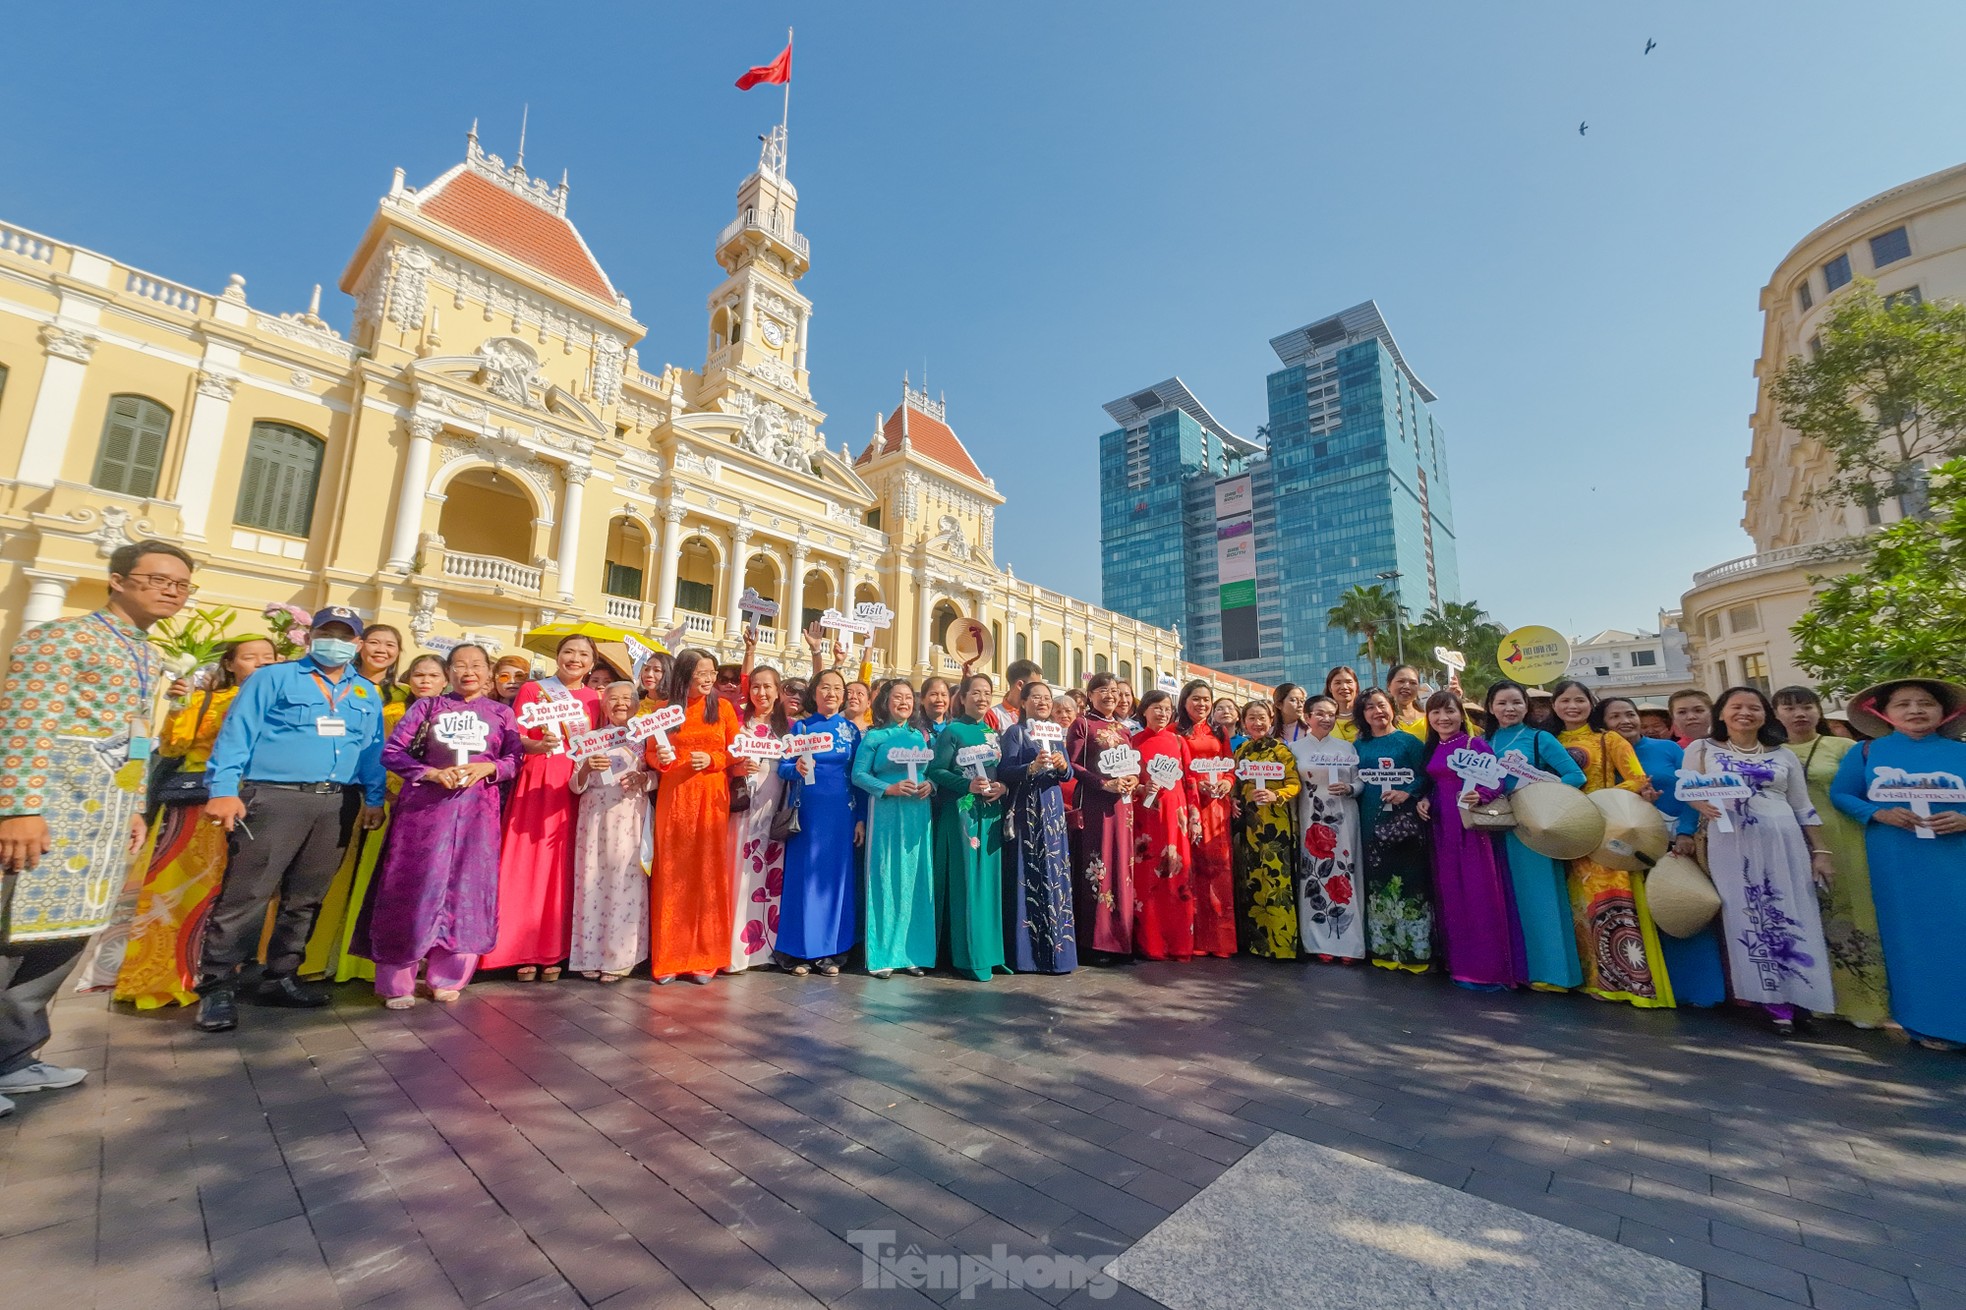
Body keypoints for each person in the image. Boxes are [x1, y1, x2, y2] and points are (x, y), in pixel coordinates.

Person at [0, 541, 185, 1105]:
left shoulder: (145, 654)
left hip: (103, 817)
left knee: (66, 934)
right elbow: (23, 726)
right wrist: (19, 808)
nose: (170, 590)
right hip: (52, 807)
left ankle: (13, 1057)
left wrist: (132, 806)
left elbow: (134, 738)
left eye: (180, 584)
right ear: (117, 580)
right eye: (156, 579)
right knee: (12, 934)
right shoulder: (59, 640)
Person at [197, 604, 389, 1032]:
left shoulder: (365, 693)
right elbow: (237, 733)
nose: (334, 642)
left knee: (306, 897)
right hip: (273, 798)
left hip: (337, 803)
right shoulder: (273, 677)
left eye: (344, 636)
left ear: (357, 644)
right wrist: (224, 789)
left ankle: (281, 975)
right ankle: (217, 987)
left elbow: (372, 751)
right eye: (326, 632)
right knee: (247, 895)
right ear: (309, 636)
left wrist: (373, 799)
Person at [111, 637, 279, 1009]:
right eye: (251, 658)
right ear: (231, 665)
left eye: (270, 658)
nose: (261, 664)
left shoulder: (283, 700)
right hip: (200, 807)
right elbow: (172, 746)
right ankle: (168, 974)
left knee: (244, 894)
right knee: (181, 893)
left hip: (259, 804)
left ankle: (232, 969)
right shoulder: (208, 699)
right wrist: (177, 705)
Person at [352, 644, 522, 1008]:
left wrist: (489, 768)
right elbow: (392, 753)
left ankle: (448, 976)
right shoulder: (427, 707)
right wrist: (430, 772)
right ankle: (397, 981)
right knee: (411, 889)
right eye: (460, 666)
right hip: (425, 816)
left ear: (489, 672)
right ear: (448, 673)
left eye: (476, 665)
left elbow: (513, 759)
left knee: (468, 890)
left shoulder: (501, 713)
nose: (468, 672)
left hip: (478, 814)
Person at [1682, 687, 1835, 1034]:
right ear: (1720, 713)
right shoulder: (1701, 749)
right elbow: (1689, 791)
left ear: (1766, 715)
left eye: (1754, 707)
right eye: (1736, 706)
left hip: (1785, 841)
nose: (1745, 713)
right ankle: (1771, 999)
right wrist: (1699, 804)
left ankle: (1804, 995)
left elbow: (1802, 806)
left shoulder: (1783, 755)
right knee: (1747, 915)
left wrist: (1821, 852)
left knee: (1795, 911)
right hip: (1731, 842)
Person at [1831, 678, 1966, 1050]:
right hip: (1896, 859)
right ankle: (1926, 1023)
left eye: (1925, 703)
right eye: (1903, 704)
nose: (1915, 711)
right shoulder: (1866, 752)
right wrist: (1878, 813)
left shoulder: (1961, 753)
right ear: (1883, 713)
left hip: (1957, 860)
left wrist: (1965, 819)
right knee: (1908, 936)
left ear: (1945, 712)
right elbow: (1842, 794)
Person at [302, 649, 443, 982]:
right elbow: (373, 754)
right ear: (408, 678)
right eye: (419, 674)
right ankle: (367, 961)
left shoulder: (454, 714)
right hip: (390, 805)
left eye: (434, 675)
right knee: (378, 883)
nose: (425, 681)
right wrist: (381, 796)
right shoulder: (390, 712)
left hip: (432, 810)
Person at [1550, 679, 1675, 1009]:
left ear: (1591, 704)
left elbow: (1638, 779)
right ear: (1554, 706)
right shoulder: (1548, 741)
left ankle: (1628, 983)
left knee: (1612, 901)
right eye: (1565, 700)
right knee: (1576, 907)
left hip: (1605, 830)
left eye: (1579, 700)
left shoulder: (1609, 739)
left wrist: (1594, 800)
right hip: (1564, 833)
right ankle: (1589, 978)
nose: (1572, 706)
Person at [484, 634, 603, 981]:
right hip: (537, 778)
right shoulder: (534, 690)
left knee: (564, 864)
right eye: (569, 652)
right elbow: (515, 735)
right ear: (558, 656)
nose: (575, 658)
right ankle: (518, 947)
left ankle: (555, 948)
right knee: (527, 859)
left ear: (592, 664)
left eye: (583, 654)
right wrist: (536, 744)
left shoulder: (595, 699)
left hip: (575, 782)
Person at [1773, 685, 1889, 1027]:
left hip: (1845, 838)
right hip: (1794, 842)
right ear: (1775, 714)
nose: (1799, 714)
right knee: (1812, 916)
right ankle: (1821, 997)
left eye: (1807, 706)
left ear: (1819, 711)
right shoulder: (1771, 753)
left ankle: (1866, 1003)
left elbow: (1867, 791)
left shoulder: (1843, 746)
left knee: (1856, 912)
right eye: (1789, 708)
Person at [1601, 695, 1727, 1008]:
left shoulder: (1669, 748)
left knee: (1686, 903)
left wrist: (1686, 831)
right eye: (1615, 717)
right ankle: (1656, 985)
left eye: (1629, 714)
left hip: (1677, 842)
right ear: (1604, 724)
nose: (1625, 722)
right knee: (1646, 914)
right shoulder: (1603, 754)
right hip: (1631, 846)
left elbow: (1691, 791)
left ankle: (1701, 990)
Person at [1484, 681, 1586, 991]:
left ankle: (1555, 973)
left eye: (1516, 702)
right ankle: (1520, 970)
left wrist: (1539, 793)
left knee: (1543, 897)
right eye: (1502, 703)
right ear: (1490, 708)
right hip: (1496, 828)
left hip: (1533, 828)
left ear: (1527, 706)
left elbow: (1575, 776)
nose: (1509, 708)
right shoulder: (1484, 741)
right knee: (1508, 900)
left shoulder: (1540, 738)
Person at [645, 649, 740, 984]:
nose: (708, 679)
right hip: (676, 797)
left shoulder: (724, 708)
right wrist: (663, 759)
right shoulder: (662, 710)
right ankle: (670, 957)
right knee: (672, 872)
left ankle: (707, 955)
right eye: (702, 673)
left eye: (712, 673)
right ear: (684, 674)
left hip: (712, 797)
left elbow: (735, 750)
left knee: (708, 873)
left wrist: (712, 760)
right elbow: (651, 754)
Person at [1420, 691, 1524, 990]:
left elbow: (1498, 779)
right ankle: (1460, 966)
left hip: (1471, 828)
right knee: (1452, 895)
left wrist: (1482, 795)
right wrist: (1425, 799)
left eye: (1449, 711)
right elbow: (1433, 783)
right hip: (1442, 829)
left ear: (1460, 714)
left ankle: (1488, 970)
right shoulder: (1433, 746)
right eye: (1436, 713)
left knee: (1479, 894)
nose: (1443, 718)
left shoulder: (1473, 743)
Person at [775, 668, 861, 977]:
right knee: (805, 880)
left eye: (837, 688)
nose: (831, 693)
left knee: (836, 882)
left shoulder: (852, 731)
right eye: (825, 687)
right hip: (807, 815)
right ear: (815, 692)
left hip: (841, 816)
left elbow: (858, 776)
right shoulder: (800, 727)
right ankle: (799, 950)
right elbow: (781, 769)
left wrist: (860, 818)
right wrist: (794, 767)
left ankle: (832, 951)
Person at [568, 682, 654, 982]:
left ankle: (622, 955)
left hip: (629, 815)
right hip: (594, 819)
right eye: (613, 698)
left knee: (625, 884)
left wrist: (645, 778)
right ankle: (588, 954)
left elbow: (658, 774)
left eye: (627, 698)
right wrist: (586, 768)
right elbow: (574, 784)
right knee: (591, 882)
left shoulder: (644, 738)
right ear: (603, 705)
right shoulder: (589, 739)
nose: (620, 703)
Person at [853, 679, 937, 977]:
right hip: (887, 813)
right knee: (885, 877)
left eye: (908, 698)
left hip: (918, 814)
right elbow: (859, 775)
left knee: (916, 879)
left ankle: (912, 953)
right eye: (897, 697)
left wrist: (930, 784)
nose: (904, 702)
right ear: (886, 702)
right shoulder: (875, 737)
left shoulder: (920, 737)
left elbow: (930, 772)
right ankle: (883, 954)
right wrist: (888, 788)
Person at [930, 674, 1008, 980]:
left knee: (989, 884)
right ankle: (965, 956)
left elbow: (999, 771)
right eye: (975, 692)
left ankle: (990, 953)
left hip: (989, 814)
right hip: (961, 815)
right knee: (965, 883)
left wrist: (1001, 786)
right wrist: (967, 785)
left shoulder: (992, 733)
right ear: (961, 697)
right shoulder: (952, 731)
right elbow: (934, 770)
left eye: (987, 693)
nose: (982, 698)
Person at [997, 681, 1077, 974]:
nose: (1043, 702)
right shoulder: (1015, 732)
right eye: (1036, 698)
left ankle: (1058, 953)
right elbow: (1004, 770)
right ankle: (1027, 955)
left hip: (1053, 811)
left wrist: (1060, 765)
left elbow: (1067, 773)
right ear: (1024, 701)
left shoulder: (1055, 733)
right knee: (1026, 874)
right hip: (1027, 811)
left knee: (1054, 874)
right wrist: (1030, 768)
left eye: (1047, 698)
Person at [1353, 689, 1434, 972]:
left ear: (1392, 708)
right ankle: (1384, 949)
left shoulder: (1409, 742)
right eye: (1369, 708)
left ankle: (1415, 952)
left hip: (1404, 823)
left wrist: (1407, 793)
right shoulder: (1358, 746)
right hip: (1370, 820)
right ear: (1362, 715)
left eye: (1381, 705)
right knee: (1378, 882)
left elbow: (1426, 775)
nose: (1377, 712)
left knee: (1409, 880)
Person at [1289, 693, 1363, 962]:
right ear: (1307, 717)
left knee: (1345, 875)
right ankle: (1317, 941)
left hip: (1344, 818)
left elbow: (1360, 782)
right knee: (1314, 877)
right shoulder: (1294, 749)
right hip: (1312, 820)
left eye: (1331, 714)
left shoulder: (1347, 748)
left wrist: (1350, 788)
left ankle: (1349, 944)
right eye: (1320, 713)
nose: (1326, 718)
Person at [1068, 672, 1137, 960]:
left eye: (1114, 691)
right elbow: (1072, 764)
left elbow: (1133, 763)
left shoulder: (1124, 730)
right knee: (1098, 866)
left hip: (1122, 806)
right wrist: (1101, 783)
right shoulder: (1082, 724)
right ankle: (1094, 942)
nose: (1110, 696)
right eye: (1102, 690)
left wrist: (1133, 778)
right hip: (1096, 804)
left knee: (1123, 866)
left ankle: (1121, 939)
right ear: (1090, 695)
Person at [728, 665, 790, 973]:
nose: (761, 693)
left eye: (768, 687)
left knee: (769, 879)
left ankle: (764, 948)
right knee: (738, 875)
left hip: (773, 812)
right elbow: (725, 761)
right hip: (741, 813)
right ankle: (734, 949)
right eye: (755, 687)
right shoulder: (738, 723)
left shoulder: (789, 727)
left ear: (778, 691)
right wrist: (738, 769)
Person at [1231, 700, 1302, 959]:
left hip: (1276, 824)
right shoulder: (1241, 751)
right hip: (1250, 825)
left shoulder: (1281, 750)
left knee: (1277, 880)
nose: (1257, 723)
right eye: (1251, 718)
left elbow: (1294, 784)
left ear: (1271, 720)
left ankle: (1282, 945)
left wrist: (1277, 795)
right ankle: (1256, 944)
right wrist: (1234, 800)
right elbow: (1235, 784)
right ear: (1244, 722)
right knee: (1252, 879)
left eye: (1262, 718)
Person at [1131, 690, 1195, 961]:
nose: (1162, 713)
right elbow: (1127, 780)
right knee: (1147, 882)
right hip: (1145, 819)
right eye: (1156, 707)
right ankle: (1151, 943)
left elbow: (1190, 781)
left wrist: (1194, 816)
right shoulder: (1132, 742)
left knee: (1177, 879)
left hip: (1175, 818)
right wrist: (1141, 787)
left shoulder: (1179, 742)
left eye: (1167, 708)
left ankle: (1180, 944)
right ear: (1144, 711)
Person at [1176, 681, 1238, 958]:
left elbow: (1230, 765)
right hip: (1189, 804)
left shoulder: (1219, 731)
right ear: (1184, 701)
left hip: (1216, 806)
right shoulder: (1174, 732)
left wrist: (1227, 782)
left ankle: (1222, 941)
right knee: (1192, 869)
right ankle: (1196, 938)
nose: (1201, 704)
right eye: (1196, 699)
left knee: (1219, 868)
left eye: (1206, 700)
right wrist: (1194, 786)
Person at [986, 659, 1042, 733]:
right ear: (1020, 685)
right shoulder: (993, 715)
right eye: (1034, 685)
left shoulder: (1037, 714)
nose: (1038, 690)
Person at [1324, 667, 1361, 742]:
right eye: (1337, 683)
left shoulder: (1367, 715)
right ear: (1330, 687)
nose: (1344, 687)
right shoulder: (1321, 719)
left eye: (1349, 682)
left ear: (1356, 686)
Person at [1388, 664, 1426, 737]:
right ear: (1388, 685)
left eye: (1413, 683)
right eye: (1401, 681)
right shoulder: (1383, 720)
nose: (1407, 686)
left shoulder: (1430, 720)